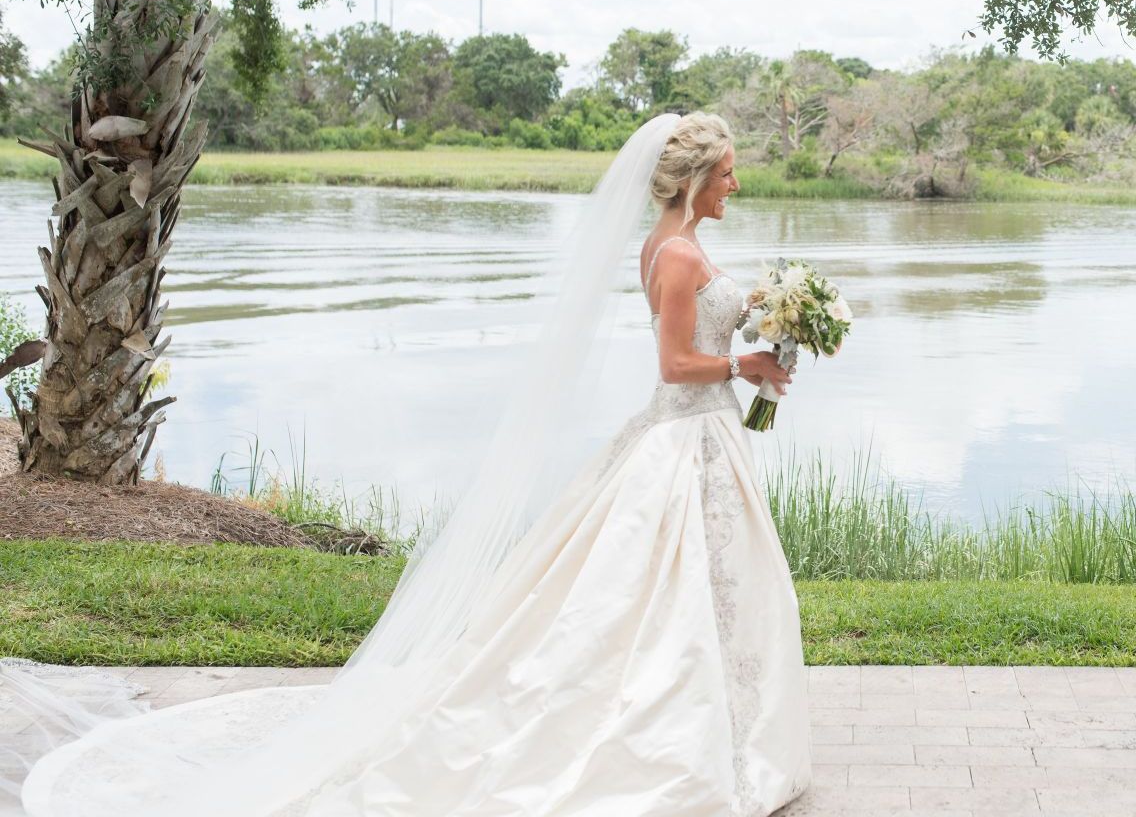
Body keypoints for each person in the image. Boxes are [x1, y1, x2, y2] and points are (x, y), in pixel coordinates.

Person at [7, 113, 811, 816]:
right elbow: (676, 365)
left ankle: (722, 727)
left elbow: (712, 330)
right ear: (696, 178)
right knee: (655, 595)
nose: (736, 183)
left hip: (704, 437)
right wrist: (746, 368)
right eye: (729, 171)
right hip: (682, 435)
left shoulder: (680, 245)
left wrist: (778, 320)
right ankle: (680, 740)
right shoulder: (674, 257)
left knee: (703, 591)